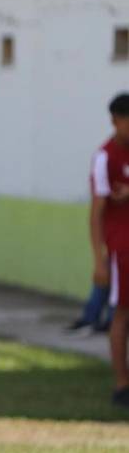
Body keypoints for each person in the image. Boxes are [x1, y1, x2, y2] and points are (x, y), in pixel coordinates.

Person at [90, 93, 129, 407]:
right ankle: (121, 383)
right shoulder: (106, 157)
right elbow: (98, 210)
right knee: (122, 314)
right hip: (122, 248)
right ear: (116, 121)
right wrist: (99, 259)